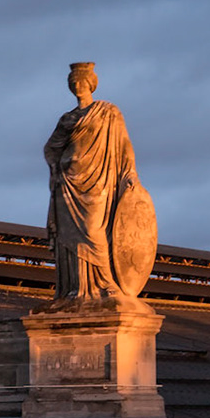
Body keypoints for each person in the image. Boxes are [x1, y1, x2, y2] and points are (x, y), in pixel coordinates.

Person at [44, 61, 147, 306]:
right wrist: (59, 166)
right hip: (69, 183)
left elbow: (124, 146)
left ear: (91, 84)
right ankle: (74, 290)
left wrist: (130, 174)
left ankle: (104, 282)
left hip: (98, 181)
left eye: (82, 82)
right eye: (74, 83)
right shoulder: (67, 119)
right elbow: (51, 147)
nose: (78, 86)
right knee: (68, 238)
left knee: (94, 231)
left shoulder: (108, 112)